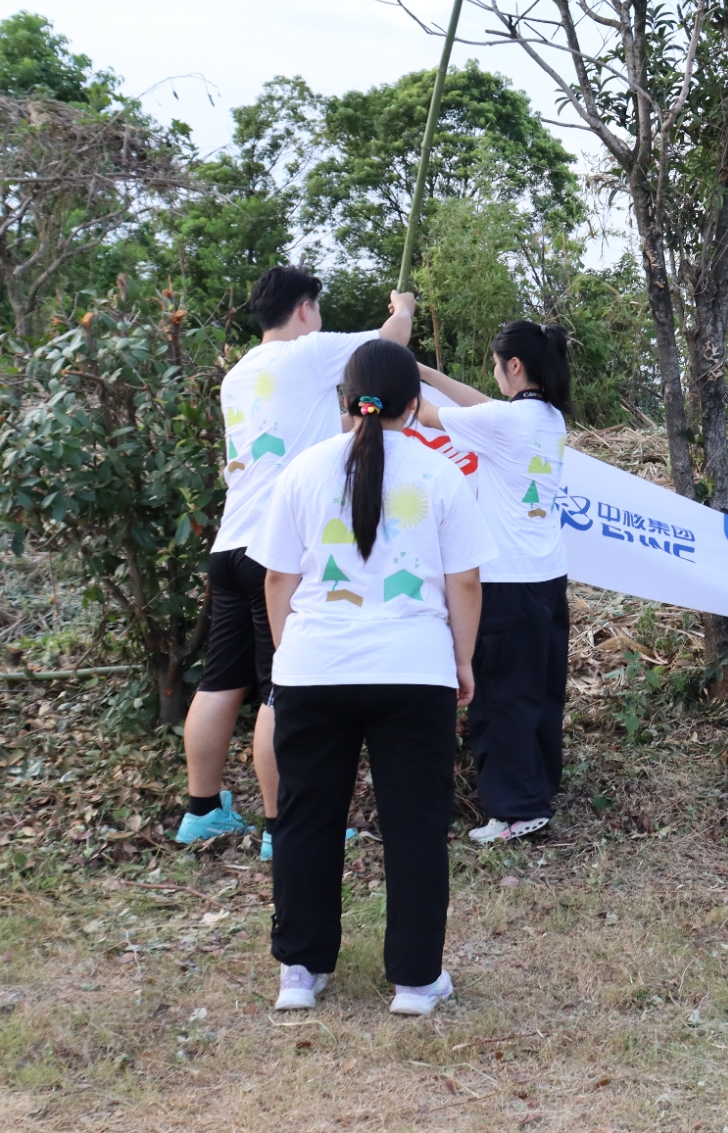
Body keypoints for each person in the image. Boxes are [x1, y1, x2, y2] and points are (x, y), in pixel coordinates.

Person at [253, 339, 495, 1015]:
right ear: (414, 405)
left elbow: (276, 579)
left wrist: (293, 656)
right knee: (416, 824)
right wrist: (462, 661)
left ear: (345, 401)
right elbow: (466, 582)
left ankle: (300, 971)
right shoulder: (440, 473)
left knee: (305, 816)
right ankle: (415, 981)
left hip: (311, 669)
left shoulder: (303, 470)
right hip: (414, 671)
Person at [176, 266, 415, 859]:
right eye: (319, 310)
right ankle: (281, 827)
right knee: (280, 686)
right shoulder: (307, 353)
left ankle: (201, 811)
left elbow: (311, 428)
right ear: (304, 309)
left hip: (230, 545)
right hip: (276, 550)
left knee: (220, 681)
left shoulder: (238, 374)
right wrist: (403, 307)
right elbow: (388, 347)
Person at [415, 322, 571, 843]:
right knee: (540, 693)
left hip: (506, 581)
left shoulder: (503, 421)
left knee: (502, 696)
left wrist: (394, 377)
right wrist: (424, 370)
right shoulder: (549, 418)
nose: (493, 374)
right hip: (547, 577)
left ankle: (516, 810)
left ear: (515, 366)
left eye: (497, 364)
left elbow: (427, 415)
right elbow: (480, 404)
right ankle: (537, 790)